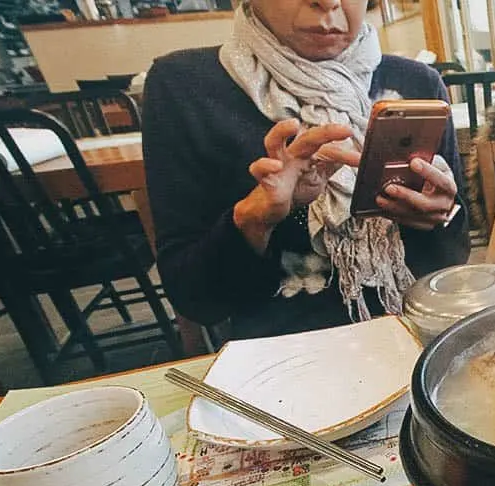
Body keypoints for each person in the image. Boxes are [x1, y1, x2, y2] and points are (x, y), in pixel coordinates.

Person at [142, 0, 469, 339]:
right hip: (283, 354)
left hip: (417, 333)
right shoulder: (185, 86)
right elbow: (195, 300)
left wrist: (440, 216)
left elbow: (452, 256)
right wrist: (254, 220)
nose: (328, 2)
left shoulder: (417, 83)